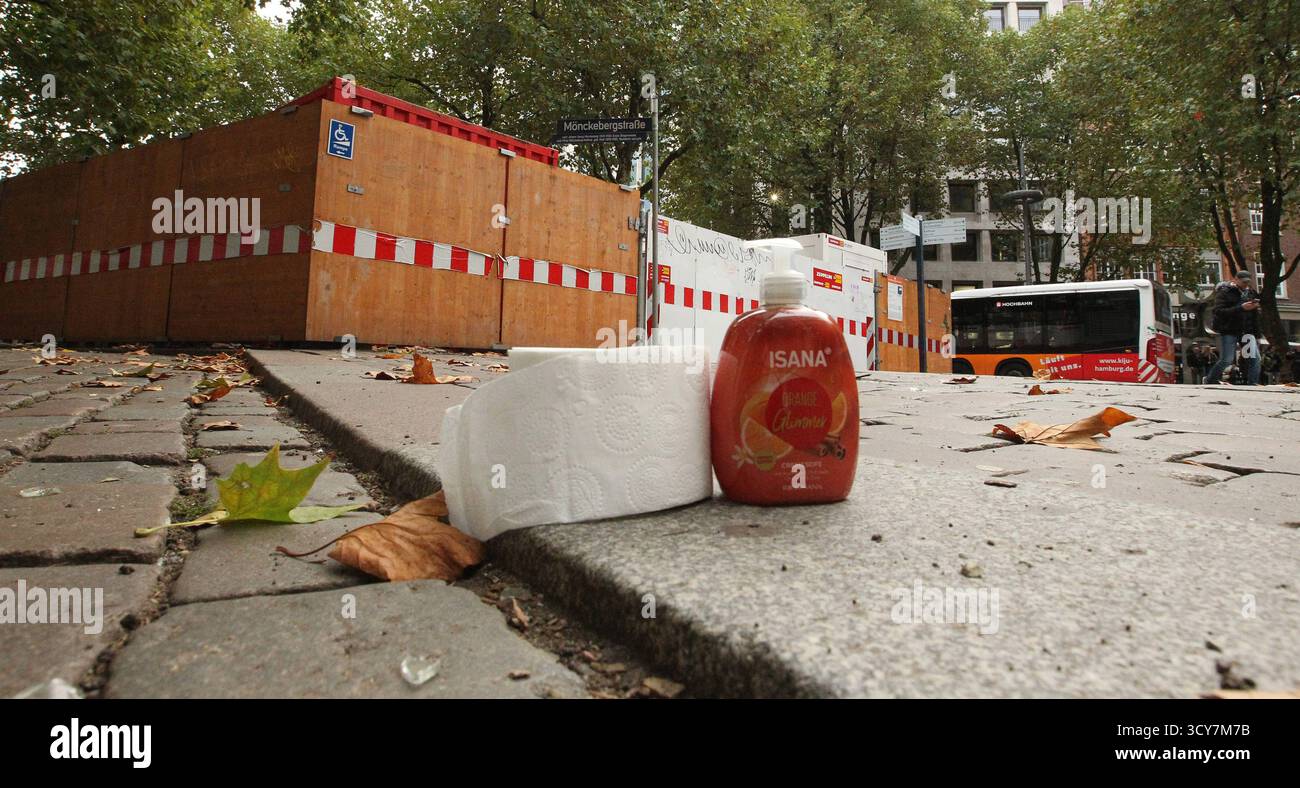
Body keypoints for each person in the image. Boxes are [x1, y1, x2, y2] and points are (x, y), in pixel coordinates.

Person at [1206, 271, 1260, 385]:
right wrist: (1241, 308)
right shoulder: (1225, 292)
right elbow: (1218, 311)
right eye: (1243, 282)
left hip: (1247, 331)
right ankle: (1210, 379)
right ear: (1236, 279)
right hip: (1230, 330)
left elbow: (1254, 316)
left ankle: (1253, 383)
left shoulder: (1251, 293)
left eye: (1248, 282)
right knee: (1227, 359)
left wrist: (1257, 333)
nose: (1246, 284)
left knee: (1254, 358)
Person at [1239, 279, 1263, 385]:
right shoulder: (1238, 298)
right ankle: (1251, 381)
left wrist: (1257, 336)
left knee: (1252, 358)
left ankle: (1252, 381)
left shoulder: (1253, 309)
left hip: (1248, 333)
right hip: (1244, 332)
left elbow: (1255, 322)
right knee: (1253, 358)